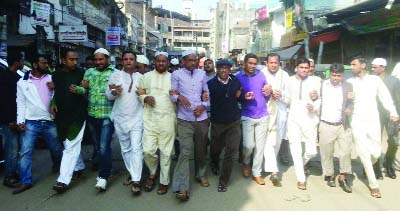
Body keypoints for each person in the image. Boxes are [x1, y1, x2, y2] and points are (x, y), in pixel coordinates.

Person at [348, 57, 398, 198]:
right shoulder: (350, 82)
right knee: (363, 150)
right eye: (351, 64)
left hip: (372, 118)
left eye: (354, 64)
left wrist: (393, 112)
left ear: (363, 65)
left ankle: (368, 164)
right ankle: (373, 184)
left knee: (376, 151)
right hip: (356, 119)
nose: (351, 67)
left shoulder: (374, 80)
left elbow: (385, 97)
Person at [14, 55, 63, 194]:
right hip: (31, 122)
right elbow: (21, 103)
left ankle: (58, 168)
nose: (46, 65)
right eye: (44, 63)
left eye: (47, 63)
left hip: (49, 121)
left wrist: (56, 87)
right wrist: (20, 121)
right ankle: (25, 181)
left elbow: (60, 96)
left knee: (56, 149)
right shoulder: (22, 82)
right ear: (35, 64)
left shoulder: (51, 78)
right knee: (25, 152)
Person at [171, 49, 210, 201]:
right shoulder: (176, 75)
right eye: (190, 60)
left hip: (201, 118)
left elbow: (206, 94)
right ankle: (182, 187)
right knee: (185, 152)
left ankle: (200, 174)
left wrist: (204, 106)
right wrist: (179, 97)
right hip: (184, 119)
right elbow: (172, 94)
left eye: (195, 60)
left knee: (200, 150)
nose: (193, 63)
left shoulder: (202, 74)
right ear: (183, 61)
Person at [74, 48, 115, 191]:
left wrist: (116, 91)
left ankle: (103, 176)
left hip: (107, 116)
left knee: (103, 147)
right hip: (92, 115)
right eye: (96, 60)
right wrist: (77, 88)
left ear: (107, 59)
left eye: (101, 59)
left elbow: (117, 94)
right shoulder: (89, 72)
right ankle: (108, 167)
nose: (98, 62)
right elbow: (84, 90)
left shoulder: (114, 73)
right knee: (99, 147)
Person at [105, 50, 143, 195]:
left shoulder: (141, 77)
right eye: (125, 59)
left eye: (131, 59)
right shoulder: (115, 75)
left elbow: (145, 95)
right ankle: (133, 174)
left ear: (135, 61)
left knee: (136, 149)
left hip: (137, 117)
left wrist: (143, 94)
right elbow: (108, 95)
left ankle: (136, 180)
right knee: (125, 149)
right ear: (122, 61)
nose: (128, 61)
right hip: (120, 118)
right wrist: (113, 92)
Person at [138, 51, 176, 195]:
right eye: (158, 61)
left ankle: (163, 181)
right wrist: (145, 98)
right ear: (154, 62)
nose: (161, 63)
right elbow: (140, 92)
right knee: (147, 150)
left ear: (167, 62)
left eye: (164, 61)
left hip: (168, 118)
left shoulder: (174, 77)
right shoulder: (146, 77)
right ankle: (153, 172)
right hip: (150, 118)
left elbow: (178, 96)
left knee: (166, 152)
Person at [52, 50, 87, 193]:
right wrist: (53, 103)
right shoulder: (56, 75)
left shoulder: (82, 73)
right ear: (63, 60)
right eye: (71, 59)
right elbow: (55, 93)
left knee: (70, 148)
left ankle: (63, 180)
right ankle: (78, 167)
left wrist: (81, 89)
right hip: (61, 116)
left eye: (76, 59)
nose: (75, 62)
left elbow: (88, 91)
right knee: (68, 144)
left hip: (77, 116)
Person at [283, 58, 321, 190]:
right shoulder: (290, 81)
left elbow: (321, 99)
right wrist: (278, 96)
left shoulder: (316, 81)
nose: (304, 70)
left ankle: (301, 164)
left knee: (311, 151)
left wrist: (315, 106)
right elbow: (287, 99)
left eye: (306, 67)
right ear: (296, 68)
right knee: (295, 149)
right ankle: (301, 178)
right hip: (293, 118)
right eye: (302, 67)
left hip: (310, 119)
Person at [235, 53, 271, 185]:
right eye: (250, 63)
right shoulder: (237, 77)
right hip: (246, 115)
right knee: (248, 145)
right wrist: (244, 96)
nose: (252, 66)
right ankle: (245, 163)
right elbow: (235, 96)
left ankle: (257, 172)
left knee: (260, 147)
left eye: (254, 64)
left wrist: (269, 90)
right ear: (244, 63)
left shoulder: (261, 75)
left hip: (262, 114)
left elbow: (266, 91)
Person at [208, 59, 242, 192]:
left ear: (230, 69)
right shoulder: (210, 84)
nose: (223, 70)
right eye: (221, 68)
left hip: (234, 122)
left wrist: (243, 95)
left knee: (231, 152)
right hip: (217, 123)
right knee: (216, 148)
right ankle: (214, 162)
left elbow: (240, 95)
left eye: (226, 68)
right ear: (217, 69)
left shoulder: (235, 81)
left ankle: (223, 180)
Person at [319, 63, 353, 193]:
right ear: (330, 74)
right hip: (326, 124)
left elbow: (350, 102)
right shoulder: (322, 85)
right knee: (327, 152)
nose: (336, 78)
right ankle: (330, 175)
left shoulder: (348, 86)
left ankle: (343, 177)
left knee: (345, 151)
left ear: (342, 75)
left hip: (342, 124)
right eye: (333, 75)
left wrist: (349, 109)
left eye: (338, 76)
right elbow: (315, 99)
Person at [260, 53, 289, 186]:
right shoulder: (260, 74)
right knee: (267, 141)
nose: (273, 65)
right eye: (271, 62)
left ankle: (271, 165)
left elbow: (290, 96)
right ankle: (274, 171)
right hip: (265, 111)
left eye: (275, 63)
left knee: (276, 141)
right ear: (267, 63)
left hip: (281, 112)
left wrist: (281, 95)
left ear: (279, 63)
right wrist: (266, 91)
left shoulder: (285, 76)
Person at [371, 58, 400, 180]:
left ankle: (389, 164)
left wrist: (398, 116)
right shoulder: (370, 80)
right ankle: (375, 166)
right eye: (372, 67)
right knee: (374, 141)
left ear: (383, 68)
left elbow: (398, 100)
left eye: (375, 67)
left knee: (394, 141)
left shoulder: (394, 81)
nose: (372, 69)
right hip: (374, 114)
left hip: (390, 115)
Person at [0, 53, 23, 188]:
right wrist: (10, 120)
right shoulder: (5, 78)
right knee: (12, 149)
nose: (23, 62)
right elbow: (4, 101)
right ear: (16, 62)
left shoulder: (16, 77)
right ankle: (9, 176)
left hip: (16, 118)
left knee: (16, 148)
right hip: (9, 120)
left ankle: (14, 172)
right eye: (21, 60)